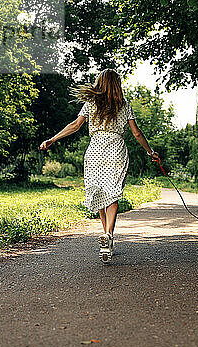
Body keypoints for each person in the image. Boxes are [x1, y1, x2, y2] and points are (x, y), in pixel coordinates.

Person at [39, 68, 161, 262]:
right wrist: (150, 152)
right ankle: (109, 235)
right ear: (117, 84)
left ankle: (107, 238)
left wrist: (53, 139)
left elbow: (75, 125)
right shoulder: (124, 104)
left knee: (99, 193)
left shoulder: (91, 102)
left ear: (100, 83)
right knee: (112, 193)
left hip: (95, 150)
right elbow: (136, 133)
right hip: (116, 150)